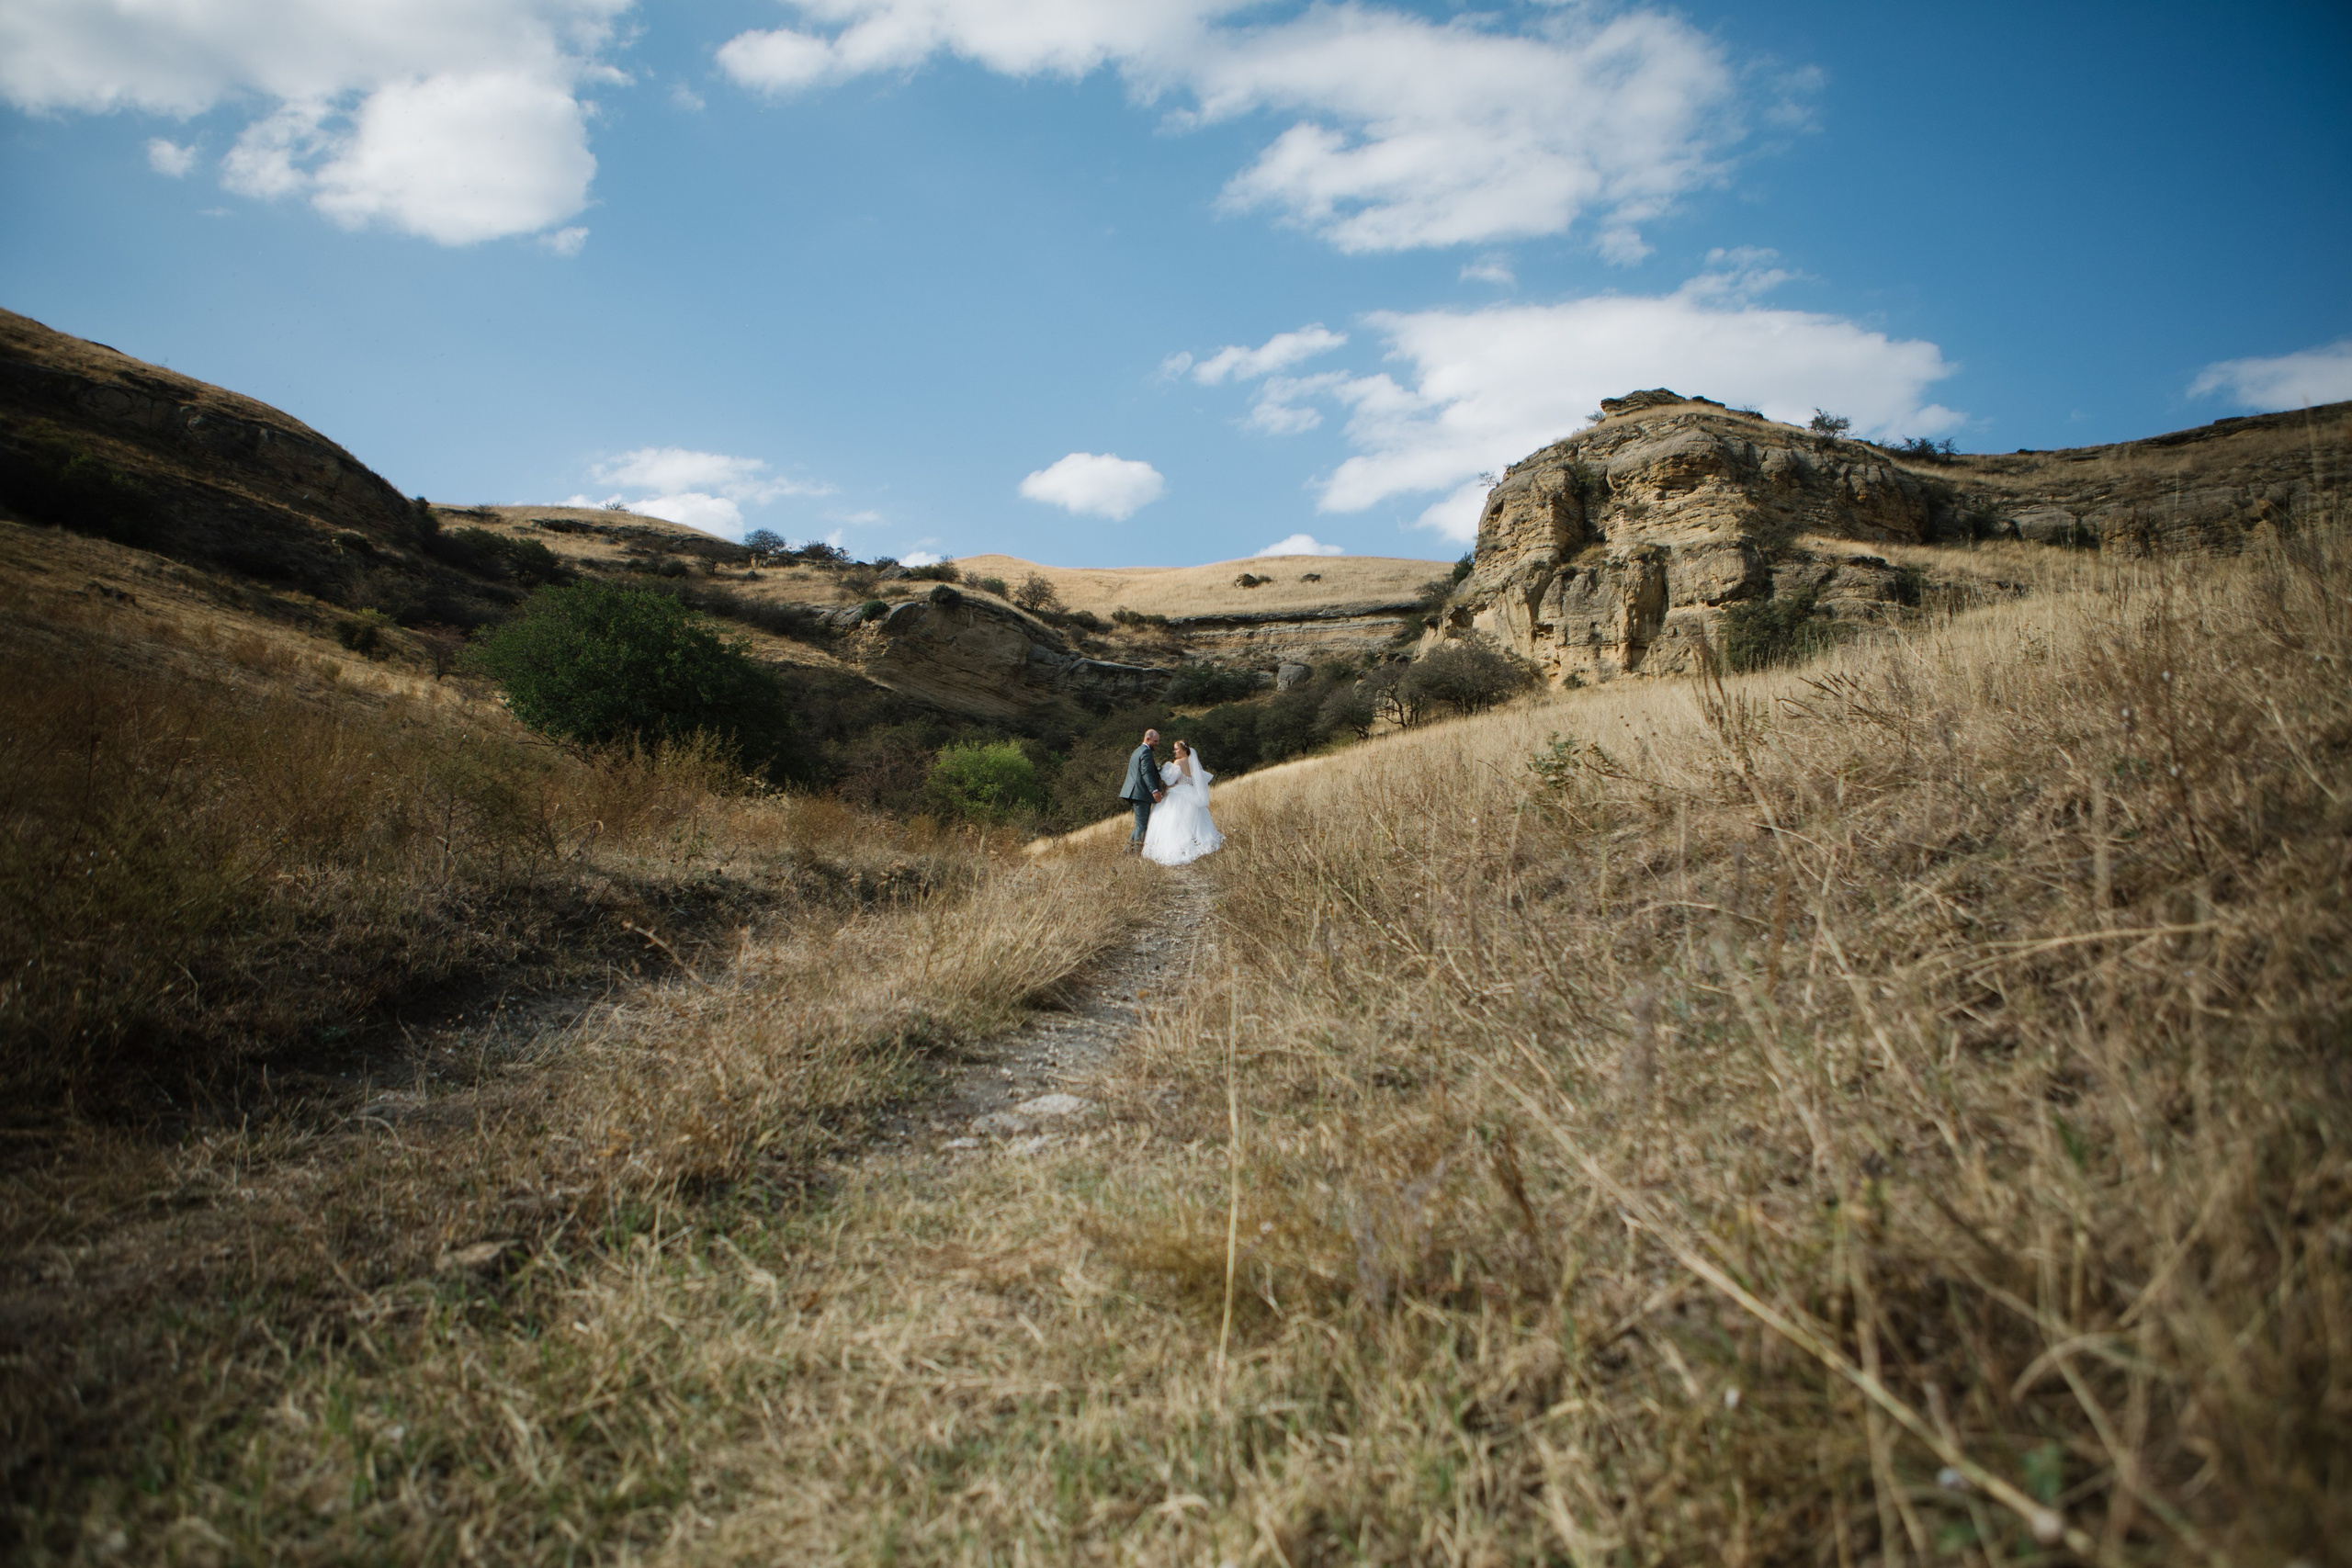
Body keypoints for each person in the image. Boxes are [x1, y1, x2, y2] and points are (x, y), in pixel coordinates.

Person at [1141, 739, 1223, 865]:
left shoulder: (1178, 762)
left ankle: (1179, 848)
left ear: (1184, 749)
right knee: (1193, 822)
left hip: (1179, 794)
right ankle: (1197, 843)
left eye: (1177, 748)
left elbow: (1171, 781)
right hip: (1191, 793)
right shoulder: (1193, 761)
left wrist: (1162, 773)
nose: (1175, 751)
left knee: (1175, 822)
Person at [1118, 728, 1163, 853]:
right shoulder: (1146, 752)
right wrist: (1154, 790)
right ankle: (1136, 854)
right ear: (1147, 739)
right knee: (1142, 826)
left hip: (1135, 792)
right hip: (1140, 793)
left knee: (1140, 825)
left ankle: (1126, 853)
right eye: (1155, 741)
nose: (1157, 744)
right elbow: (1146, 773)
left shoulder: (1137, 751)